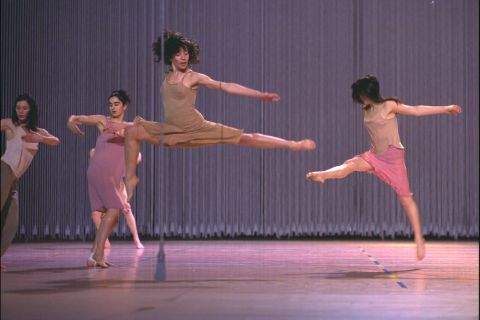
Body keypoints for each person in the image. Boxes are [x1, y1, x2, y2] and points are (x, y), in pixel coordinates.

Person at [123, 31, 316, 200]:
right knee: (131, 132)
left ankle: (292, 144)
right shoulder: (167, 77)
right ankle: (130, 178)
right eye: (179, 53)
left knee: (246, 138)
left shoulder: (193, 77)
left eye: (186, 53)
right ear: (170, 55)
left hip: (196, 128)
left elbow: (226, 86)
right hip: (171, 129)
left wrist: (259, 95)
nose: (183, 57)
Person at [306, 75, 462, 261]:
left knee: (406, 200)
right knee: (351, 164)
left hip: (393, 160)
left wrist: (446, 108)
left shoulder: (389, 105)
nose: (358, 99)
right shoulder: (367, 109)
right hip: (375, 156)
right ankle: (324, 175)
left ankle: (419, 239)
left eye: (359, 95)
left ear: (365, 94)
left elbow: (417, 110)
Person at [67, 90, 142, 268]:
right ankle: (99, 255)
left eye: (116, 104)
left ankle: (93, 255)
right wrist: (71, 122)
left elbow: (138, 156)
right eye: (110, 104)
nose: (113, 107)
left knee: (112, 217)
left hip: (111, 176)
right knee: (115, 210)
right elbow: (78, 118)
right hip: (100, 171)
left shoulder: (130, 127)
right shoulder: (103, 121)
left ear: (124, 106)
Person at [1, 94, 60, 263]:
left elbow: (56, 141)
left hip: (14, 179)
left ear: (31, 110)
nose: (20, 111)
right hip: (5, 170)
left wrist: (39, 138)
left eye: (24, 108)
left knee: (11, 223)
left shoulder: (37, 131)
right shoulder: (10, 124)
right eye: (18, 107)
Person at [88, 148, 144, 249]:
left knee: (127, 210)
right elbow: (92, 153)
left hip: (117, 185)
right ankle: (104, 241)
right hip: (104, 186)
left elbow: (138, 156)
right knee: (96, 214)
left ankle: (136, 239)